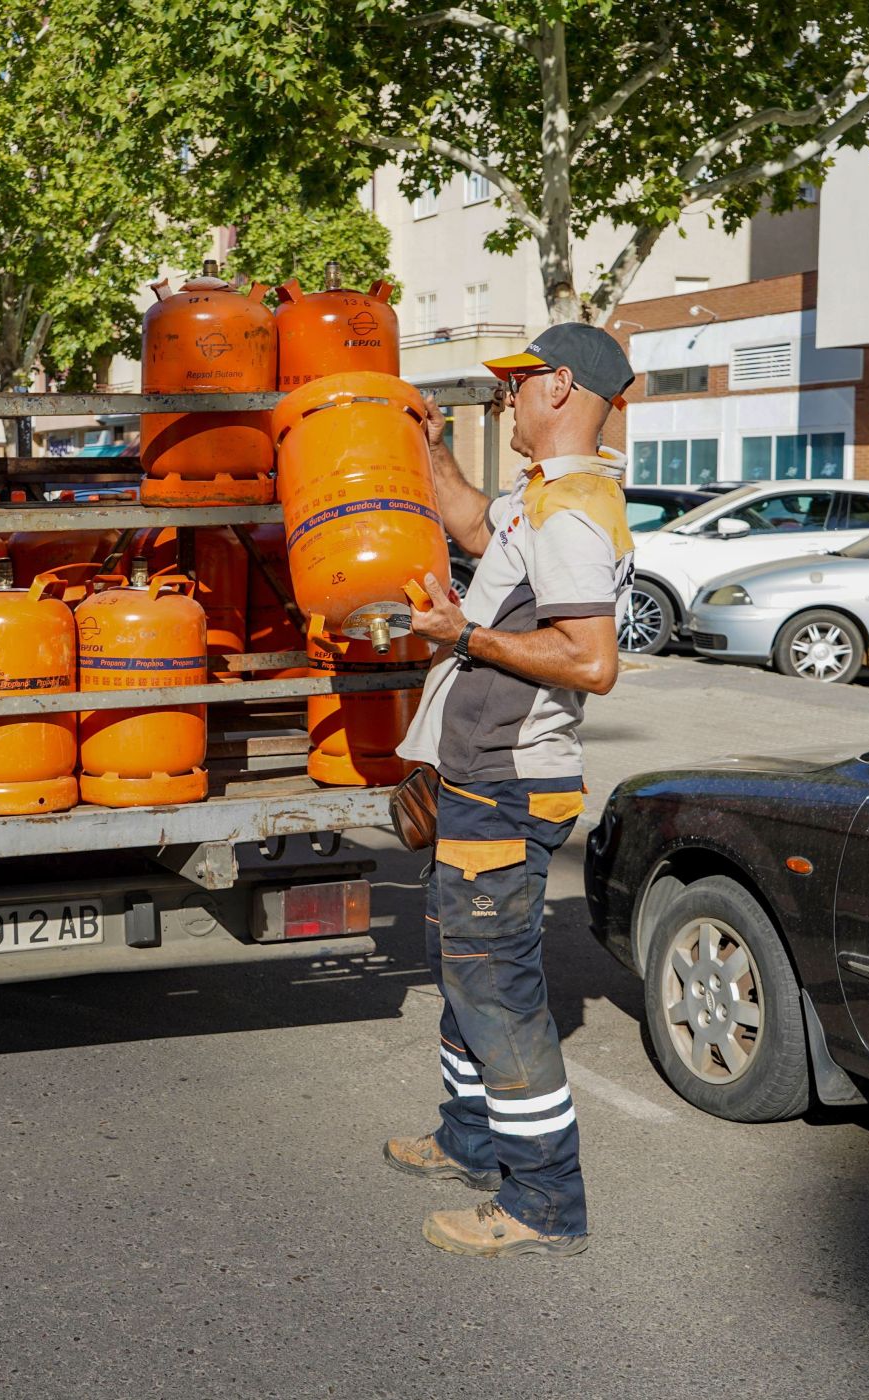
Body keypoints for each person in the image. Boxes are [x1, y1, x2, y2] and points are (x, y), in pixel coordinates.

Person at [384, 322, 635, 1259]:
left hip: (508, 785)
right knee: (463, 969)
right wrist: (431, 451)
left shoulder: (571, 512)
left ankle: (542, 1202)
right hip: (475, 780)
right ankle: (468, 1140)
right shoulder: (540, 499)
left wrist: (462, 635)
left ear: (560, 387)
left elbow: (590, 661)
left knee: (498, 990)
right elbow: (469, 524)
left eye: (516, 384)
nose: (507, 399)